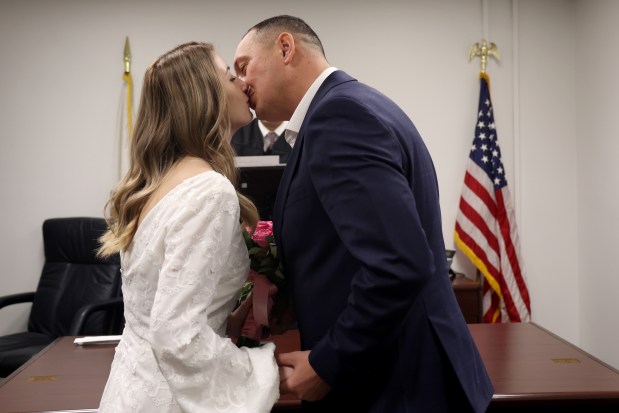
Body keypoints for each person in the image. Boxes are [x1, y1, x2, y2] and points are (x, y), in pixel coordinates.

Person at [234, 16, 495, 412]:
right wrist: (292, 303)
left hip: (397, 386)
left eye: (243, 66)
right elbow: (346, 251)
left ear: (285, 48)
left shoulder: (339, 118)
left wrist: (327, 364)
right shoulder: (352, 106)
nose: (241, 84)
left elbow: (398, 263)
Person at [96, 41, 279, 413]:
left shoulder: (156, 185)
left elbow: (160, 309)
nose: (242, 83)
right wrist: (257, 370)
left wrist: (230, 317)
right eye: (230, 75)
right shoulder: (209, 190)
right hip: (167, 397)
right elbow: (175, 335)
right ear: (204, 96)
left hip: (132, 386)